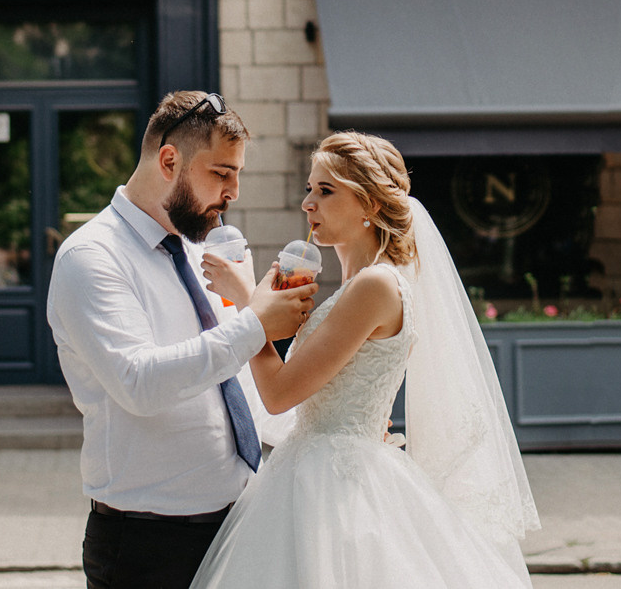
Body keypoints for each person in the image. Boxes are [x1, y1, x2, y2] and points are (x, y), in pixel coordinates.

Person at [189, 130, 541, 589]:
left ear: (370, 206)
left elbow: (278, 395)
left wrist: (249, 304)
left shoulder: (375, 286)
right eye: (309, 189)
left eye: (326, 190)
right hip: (317, 467)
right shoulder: (356, 285)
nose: (308, 203)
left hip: (336, 487)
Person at [47, 90, 318, 589]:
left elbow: (236, 383)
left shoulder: (200, 250)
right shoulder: (91, 257)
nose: (234, 191)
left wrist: (326, 430)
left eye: (238, 174)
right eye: (221, 173)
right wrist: (256, 323)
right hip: (148, 545)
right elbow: (139, 384)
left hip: (240, 522)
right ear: (169, 160)